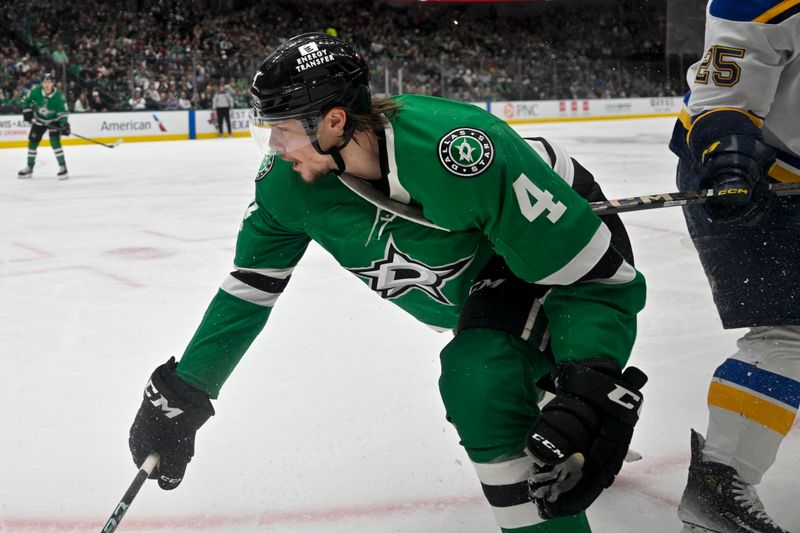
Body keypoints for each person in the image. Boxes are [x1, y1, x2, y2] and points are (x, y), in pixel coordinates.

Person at [127, 33, 648, 533]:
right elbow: (250, 286)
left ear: (332, 122)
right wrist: (185, 391)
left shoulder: (461, 153)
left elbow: (594, 279)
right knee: (502, 386)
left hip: (550, 253)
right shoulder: (287, 187)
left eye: (282, 128)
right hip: (478, 289)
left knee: (480, 382)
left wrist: (591, 382)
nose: (274, 145)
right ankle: (544, 406)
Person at [669, 2, 799, 532]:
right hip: (756, 176)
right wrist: (728, 147)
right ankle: (720, 481)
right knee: (790, 332)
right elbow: (732, 65)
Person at [18, 72, 70, 180]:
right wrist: (27, 111)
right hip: (39, 120)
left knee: (55, 142)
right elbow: (25, 101)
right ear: (42, 83)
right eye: (45, 82)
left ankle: (63, 167)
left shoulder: (59, 96)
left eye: (49, 82)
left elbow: (63, 112)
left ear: (53, 84)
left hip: (54, 120)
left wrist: (64, 124)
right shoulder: (35, 91)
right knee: (32, 141)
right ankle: (29, 167)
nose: (46, 84)